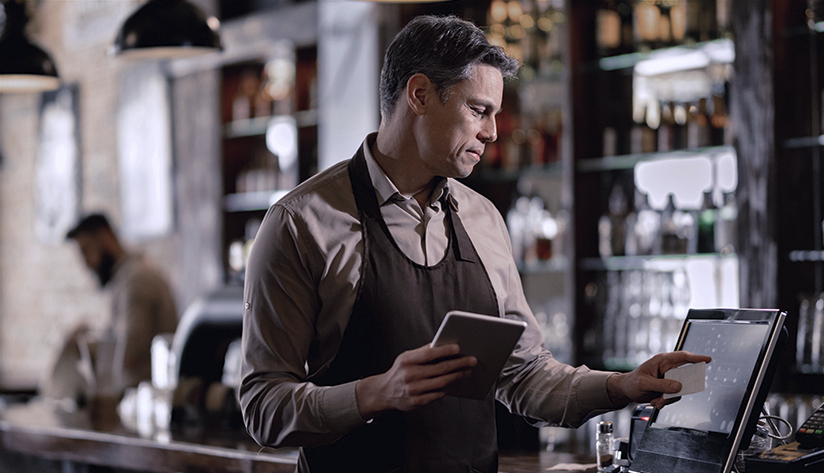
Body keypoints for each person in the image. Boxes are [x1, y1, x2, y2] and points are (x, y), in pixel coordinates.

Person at [239, 14, 711, 473]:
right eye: (478, 110)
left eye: (495, 114)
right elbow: (263, 407)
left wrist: (621, 386)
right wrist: (376, 393)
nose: (492, 132)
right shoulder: (302, 223)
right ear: (420, 95)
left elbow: (524, 377)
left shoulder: (483, 217)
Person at [43, 213, 179, 404]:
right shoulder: (127, 278)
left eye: (86, 250)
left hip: (142, 403)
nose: (87, 263)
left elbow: (130, 355)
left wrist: (90, 351)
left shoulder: (137, 280)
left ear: (105, 237)